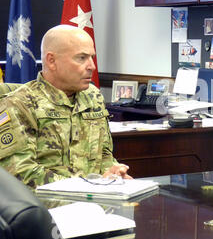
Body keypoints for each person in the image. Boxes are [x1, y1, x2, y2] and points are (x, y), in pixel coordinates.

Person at [0, 25, 132, 188]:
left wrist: (113, 172)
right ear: (51, 61)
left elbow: (104, 154)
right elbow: (21, 175)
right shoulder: (19, 104)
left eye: (92, 57)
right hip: (48, 208)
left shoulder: (93, 96)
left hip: (95, 201)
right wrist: (87, 187)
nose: (92, 66)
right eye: (81, 58)